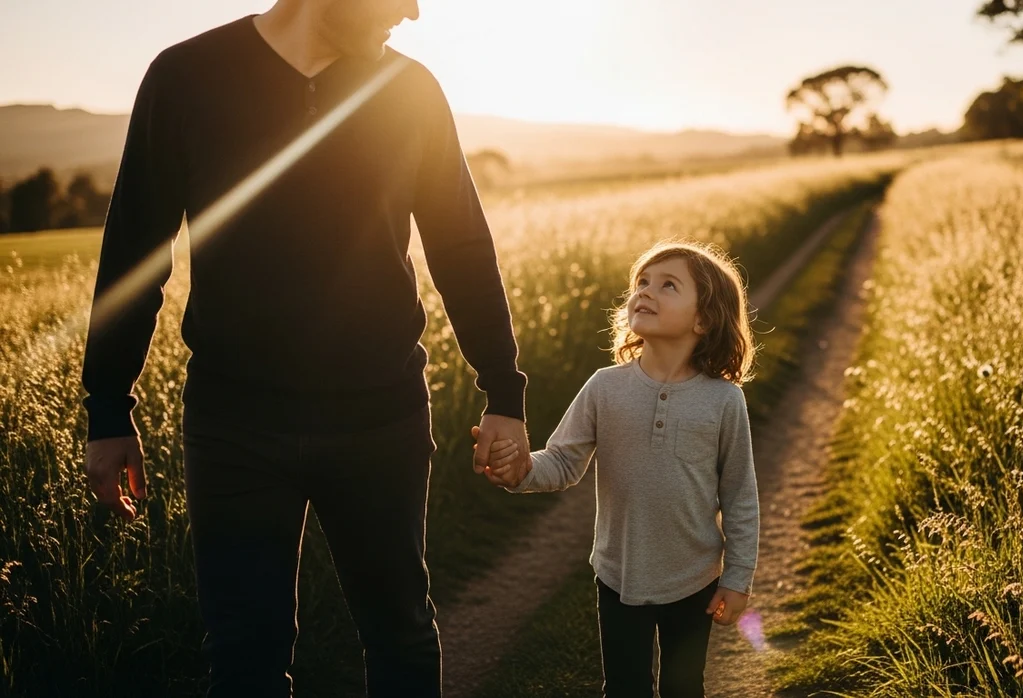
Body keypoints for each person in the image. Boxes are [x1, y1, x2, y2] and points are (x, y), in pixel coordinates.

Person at [79, 1, 531, 696]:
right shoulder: (185, 77)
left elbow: (461, 245)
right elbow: (135, 252)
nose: (412, 13)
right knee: (244, 659)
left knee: (401, 635)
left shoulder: (410, 90)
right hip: (233, 428)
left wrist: (502, 389)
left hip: (381, 419)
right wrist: (108, 408)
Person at [473, 240, 761, 698]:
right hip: (617, 574)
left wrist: (737, 577)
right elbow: (563, 461)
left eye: (668, 285)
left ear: (704, 319)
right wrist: (522, 470)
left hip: (694, 576)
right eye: (641, 282)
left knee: (684, 686)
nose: (645, 291)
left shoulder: (724, 400)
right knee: (625, 687)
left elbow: (740, 495)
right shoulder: (604, 387)